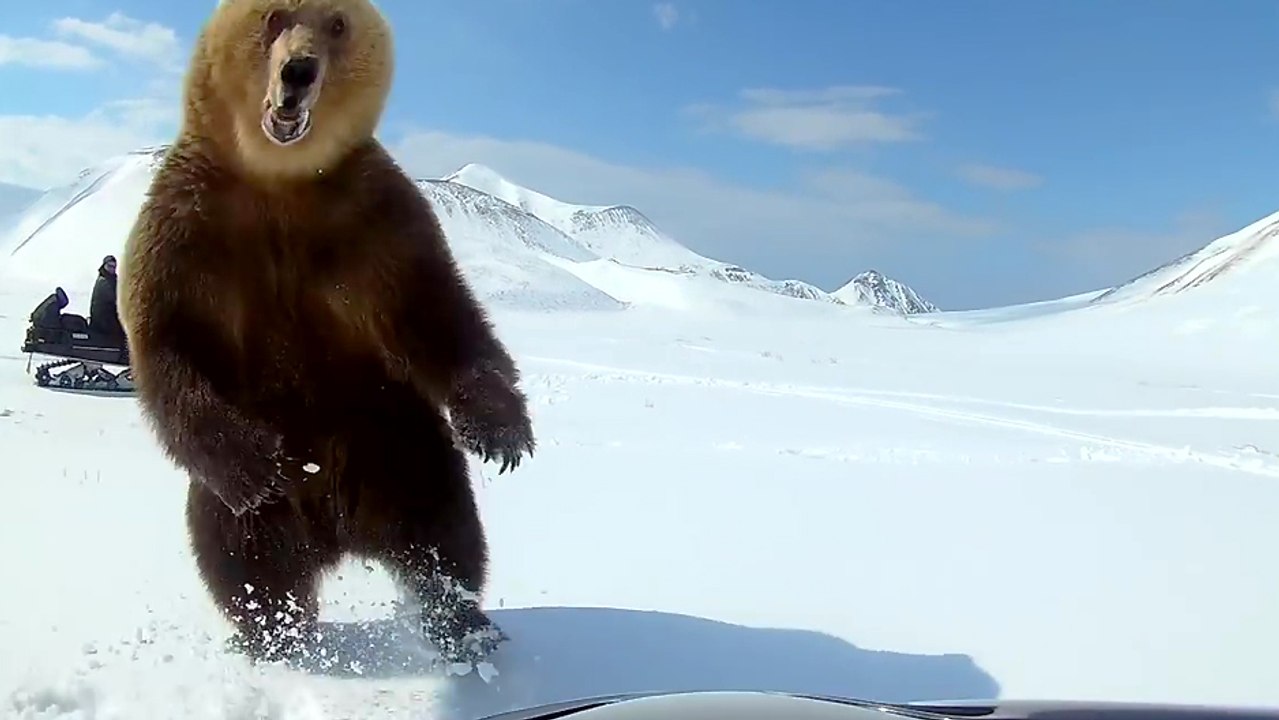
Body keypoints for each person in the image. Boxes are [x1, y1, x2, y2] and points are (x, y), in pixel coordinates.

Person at [89, 254, 125, 342]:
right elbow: (114, 299)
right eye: (109, 266)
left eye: (114, 267)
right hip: (102, 319)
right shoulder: (103, 281)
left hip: (108, 316)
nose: (112, 269)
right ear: (104, 265)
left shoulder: (112, 280)